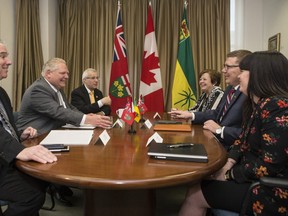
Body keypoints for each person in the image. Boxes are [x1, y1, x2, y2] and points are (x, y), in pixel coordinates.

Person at [179, 51, 288, 216]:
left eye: (244, 72)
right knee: (200, 183)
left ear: (258, 76)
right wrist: (228, 162)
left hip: (268, 190)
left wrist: (229, 174)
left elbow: (268, 166)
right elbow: (242, 140)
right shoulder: (258, 105)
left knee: (195, 195)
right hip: (253, 178)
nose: (240, 77)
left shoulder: (277, 108)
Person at [0, 41, 57, 216]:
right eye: (2, 56)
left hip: (5, 159)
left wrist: (19, 135)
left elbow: (4, 128)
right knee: (31, 195)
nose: (9, 61)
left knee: (42, 179)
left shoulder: (2, 93)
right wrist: (18, 150)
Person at [169, 50, 251, 148]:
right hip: (216, 142)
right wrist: (190, 115)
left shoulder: (249, 94)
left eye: (227, 66)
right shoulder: (230, 89)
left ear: (243, 69)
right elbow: (216, 113)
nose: (223, 70)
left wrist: (220, 130)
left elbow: (251, 134)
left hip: (232, 149)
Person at [16, 58, 112, 135]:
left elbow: (69, 107)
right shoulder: (38, 89)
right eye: (63, 73)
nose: (67, 77)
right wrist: (87, 119)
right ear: (49, 73)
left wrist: (85, 116)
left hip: (55, 133)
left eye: (67, 73)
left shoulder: (57, 88)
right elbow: (58, 111)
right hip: (35, 137)